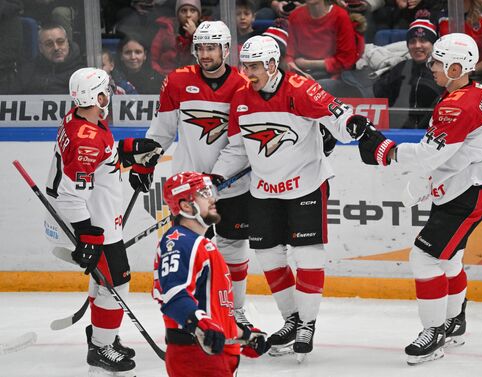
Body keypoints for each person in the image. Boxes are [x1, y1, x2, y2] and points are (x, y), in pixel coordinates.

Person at [350, 33, 482, 365]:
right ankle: (455, 322)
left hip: (468, 194)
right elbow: (454, 154)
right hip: (465, 187)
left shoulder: (457, 104)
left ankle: (434, 333)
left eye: (438, 62)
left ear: (457, 66)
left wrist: (384, 151)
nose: (431, 66)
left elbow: (429, 155)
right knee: (447, 260)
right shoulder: (474, 92)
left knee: (424, 258)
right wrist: (431, 181)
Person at [211, 35, 364, 360]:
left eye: (254, 66)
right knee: (268, 255)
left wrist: (352, 125)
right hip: (265, 189)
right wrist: (216, 177)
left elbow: (337, 115)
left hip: (306, 185)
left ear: (271, 64)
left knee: (307, 254)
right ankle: (292, 320)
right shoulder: (241, 98)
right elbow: (238, 148)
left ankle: (307, 323)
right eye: (245, 65)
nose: (248, 72)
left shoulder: (300, 88)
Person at [43, 67, 163, 374]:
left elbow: (102, 157)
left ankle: (101, 334)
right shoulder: (87, 140)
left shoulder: (81, 119)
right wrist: (88, 234)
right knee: (117, 284)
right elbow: (71, 195)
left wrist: (132, 151)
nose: (108, 94)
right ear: (97, 96)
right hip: (95, 223)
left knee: (106, 282)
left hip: (102, 219)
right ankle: (101, 346)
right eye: (105, 90)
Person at [145, 21, 256, 329]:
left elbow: (242, 142)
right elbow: (162, 131)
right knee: (188, 251)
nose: (205, 54)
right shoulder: (177, 81)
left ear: (226, 49)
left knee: (233, 248)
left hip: (232, 186)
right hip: (188, 189)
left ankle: (234, 312)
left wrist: (217, 177)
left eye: (212, 47)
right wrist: (146, 160)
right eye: (200, 48)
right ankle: (192, 316)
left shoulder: (243, 85)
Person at [153, 171, 269, 377]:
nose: (213, 198)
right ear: (185, 206)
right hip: (196, 358)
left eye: (210, 191)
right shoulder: (181, 241)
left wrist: (244, 336)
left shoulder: (201, 244)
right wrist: (202, 325)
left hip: (213, 357)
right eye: (204, 193)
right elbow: (174, 295)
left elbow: (213, 313)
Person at [374, 19, 443, 129]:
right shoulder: (400, 68)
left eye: (423, 40)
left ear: (433, 44)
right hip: (402, 130)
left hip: (434, 132)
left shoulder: (443, 70)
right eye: (412, 41)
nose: (417, 45)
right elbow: (379, 98)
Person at [286, 0, 360, 96]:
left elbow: (346, 60)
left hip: (333, 76)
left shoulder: (340, 16)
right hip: (301, 73)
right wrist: (300, 73)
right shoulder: (295, 16)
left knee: (312, 89)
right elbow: (288, 55)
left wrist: (307, 64)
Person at [437, 0, 482, 97]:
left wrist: (470, 70)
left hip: (481, 76)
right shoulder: (441, 16)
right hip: (448, 76)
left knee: (469, 99)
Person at [19, 22, 85, 94]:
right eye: (49, 44)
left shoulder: (82, 73)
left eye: (60, 42)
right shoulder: (28, 72)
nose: (56, 48)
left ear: (67, 43)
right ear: (40, 48)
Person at [150, 0, 202, 75]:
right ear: (177, 14)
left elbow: (205, 56)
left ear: (198, 15)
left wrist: (195, 34)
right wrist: (161, 74)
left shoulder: (205, 31)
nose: (188, 15)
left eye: (193, 11)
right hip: (166, 76)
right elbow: (153, 58)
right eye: (183, 11)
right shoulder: (165, 30)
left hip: (191, 76)